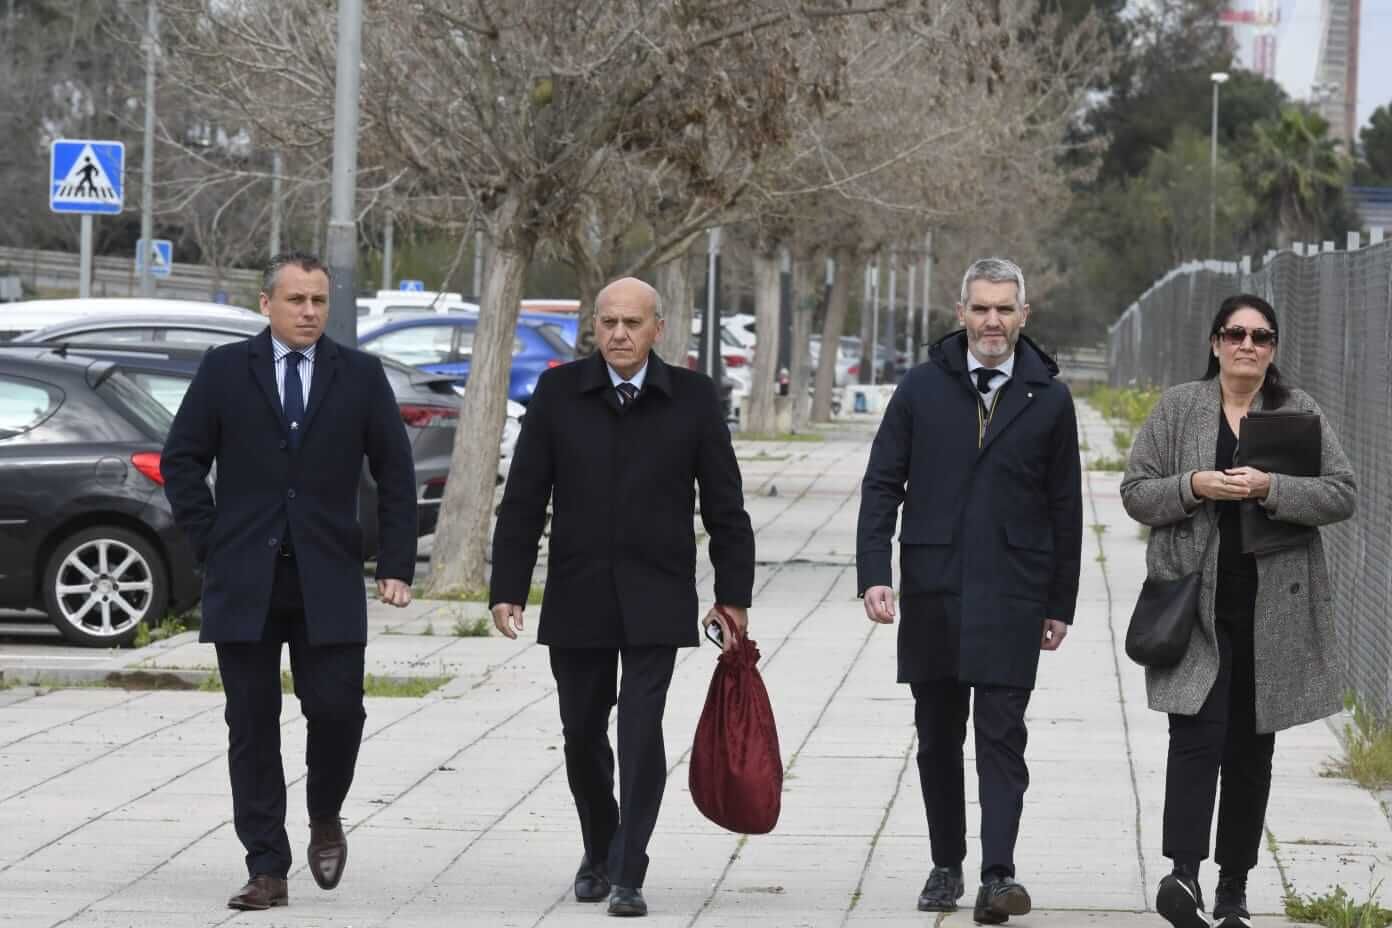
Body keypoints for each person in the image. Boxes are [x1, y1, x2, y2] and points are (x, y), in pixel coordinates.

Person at [489, 276, 755, 918]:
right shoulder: (559, 392)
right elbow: (524, 498)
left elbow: (726, 507)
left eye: (631, 323)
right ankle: (599, 846)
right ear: (594, 328)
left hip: (655, 594)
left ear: (657, 329)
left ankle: (629, 869)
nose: (618, 334)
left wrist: (733, 596)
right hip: (578, 591)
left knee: (641, 732)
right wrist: (508, 587)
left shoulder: (692, 398)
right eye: (607, 322)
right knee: (582, 732)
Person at [161, 251, 418, 911]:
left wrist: (394, 563)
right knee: (251, 723)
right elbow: (181, 459)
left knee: (337, 711)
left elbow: (395, 472)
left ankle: (325, 812)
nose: (309, 312)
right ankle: (267, 867)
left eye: (318, 302)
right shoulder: (225, 370)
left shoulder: (358, 375)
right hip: (244, 577)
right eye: (297, 300)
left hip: (327, 576)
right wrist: (211, 540)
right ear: (266, 304)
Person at [857, 257, 1082, 924]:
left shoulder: (1050, 398)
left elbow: (1066, 508)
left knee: (1002, 737)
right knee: (936, 737)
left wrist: (1059, 603)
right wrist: (875, 572)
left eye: (1004, 309)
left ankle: (997, 873)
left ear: (1022, 316)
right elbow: (881, 484)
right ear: (960, 314)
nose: (992, 320)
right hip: (933, 588)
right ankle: (946, 863)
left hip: (1014, 591)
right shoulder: (921, 389)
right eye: (980, 308)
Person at [1120, 294, 1355, 928]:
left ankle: (1233, 886)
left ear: (1273, 348)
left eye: (1261, 336)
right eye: (1235, 334)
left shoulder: (1297, 411)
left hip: (1272, 610)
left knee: (1253, 751)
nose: (1247, 345)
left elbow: (1341, 492)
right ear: (1216, 343)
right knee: (1194, 738)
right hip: (1195, 605)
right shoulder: (1179, 408)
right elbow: (1135, 492)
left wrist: (1270, 487)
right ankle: (1184, 875)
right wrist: (1194, 485)